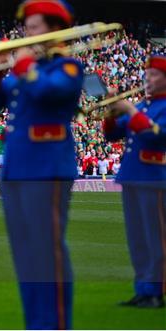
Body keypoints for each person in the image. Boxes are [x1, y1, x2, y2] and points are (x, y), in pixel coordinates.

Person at [0, 0, 83, 328]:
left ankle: (54, 324)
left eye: (35, 27)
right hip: (17, 168)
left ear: (55, 30)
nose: (27, 33)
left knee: (47, 249)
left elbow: (47, 92)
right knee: (24, 253)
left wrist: (23, 66)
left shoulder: (66, 68)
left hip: (47, 167)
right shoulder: (26, 70)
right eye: (27, 27)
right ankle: (35, 323)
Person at [103, 53, 166, 309]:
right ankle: (142, 288)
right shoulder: (142, 105)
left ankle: (155, 290)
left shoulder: (156, 107)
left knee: (155, 238)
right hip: (132, 176)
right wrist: (110, 112)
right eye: (147, 74)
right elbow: (113, 134)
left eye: (154, 75)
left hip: (155, 177)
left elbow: (157, 135)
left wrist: (129, 109)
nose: (147, 79)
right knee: (137, 238)